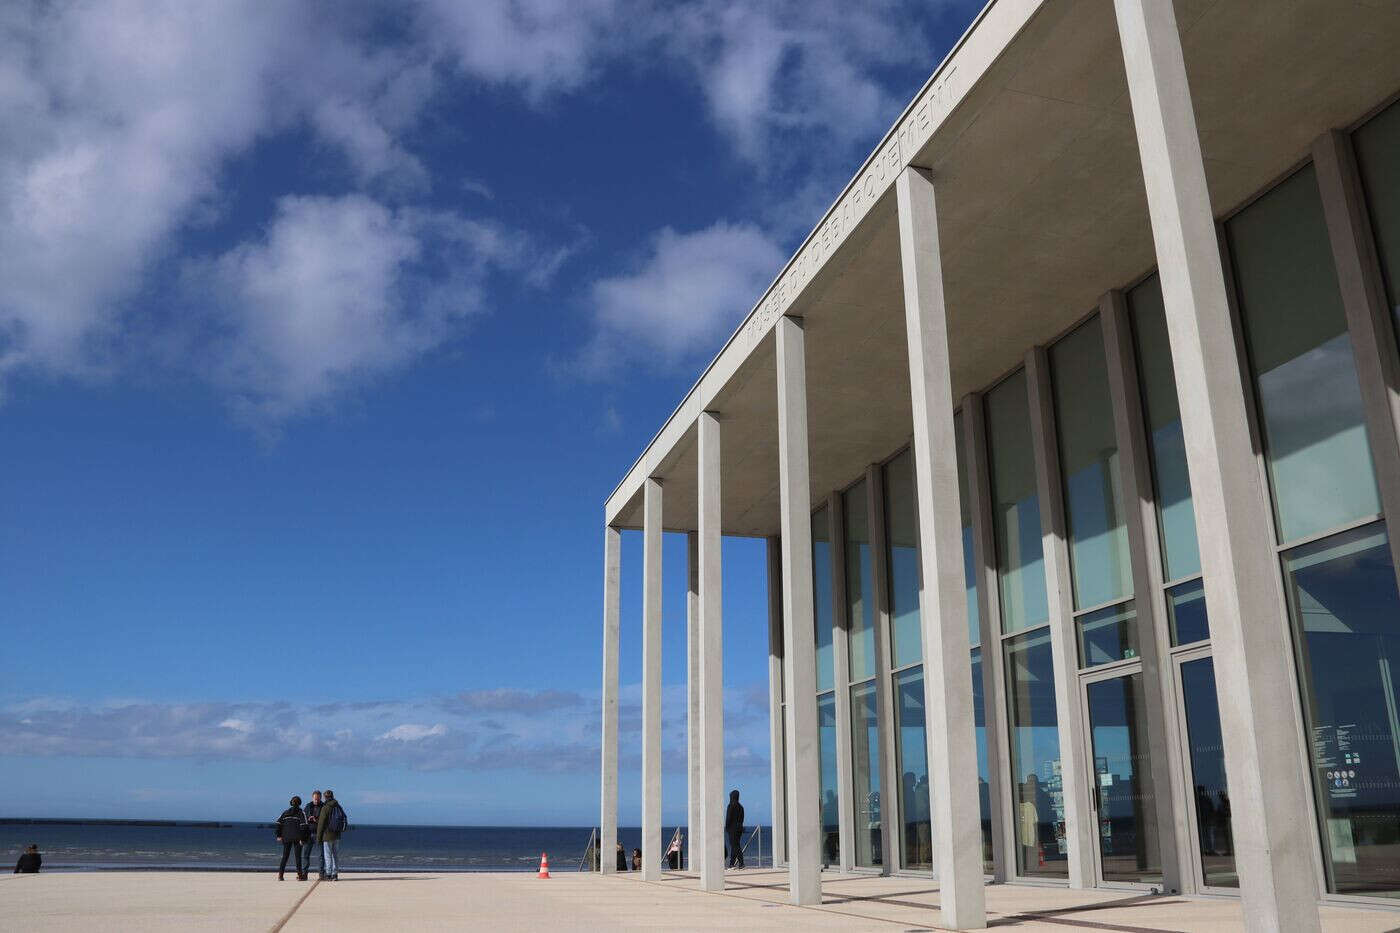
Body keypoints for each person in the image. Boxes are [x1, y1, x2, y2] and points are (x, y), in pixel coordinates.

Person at [317, 789, 347, 880]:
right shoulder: (338, 806)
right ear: (333, 796)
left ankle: (329, 874)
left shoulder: (325, 807)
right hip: (337, 835)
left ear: (325, 797)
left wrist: (319, 837)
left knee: (328, 855)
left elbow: (321, 824)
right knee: (335, 855)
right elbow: (344, 818)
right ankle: (335, 874)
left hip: (327, 835)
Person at [275, 796, 307, 881]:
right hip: (297, 838)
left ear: (291, 803)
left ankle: (280, 875)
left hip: (286, 837)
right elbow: (304, 826)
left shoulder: (285, 812)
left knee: (285, 857)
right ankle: (300, 876)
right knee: (298, 857)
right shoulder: (301, 813)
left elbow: (278, 823)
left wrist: (279, 835)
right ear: (300, 803)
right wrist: (303, 839)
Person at [303, 791, 324, 879]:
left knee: (321, 855)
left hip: (319, 834)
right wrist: (308, 818)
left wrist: (316, 820)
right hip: (308, 833)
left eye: (318, 799)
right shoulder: (308, 806)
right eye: (315, 799)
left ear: (320, 798)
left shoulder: (323, 806)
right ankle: (304, 874)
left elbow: (325, 820)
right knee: (305, 855)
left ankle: (321, 874)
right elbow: (303, 818)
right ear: (312, 798)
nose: (316, 800)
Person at [724, 789, 745, 869]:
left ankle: (741, 863)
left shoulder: (731, 806)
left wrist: (727, 827)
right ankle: (732, 863)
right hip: (739, 829)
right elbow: (742, 818)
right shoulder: (741, 807)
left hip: (732, 829)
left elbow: (728, 818)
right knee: (734, 846)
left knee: (735, 846)